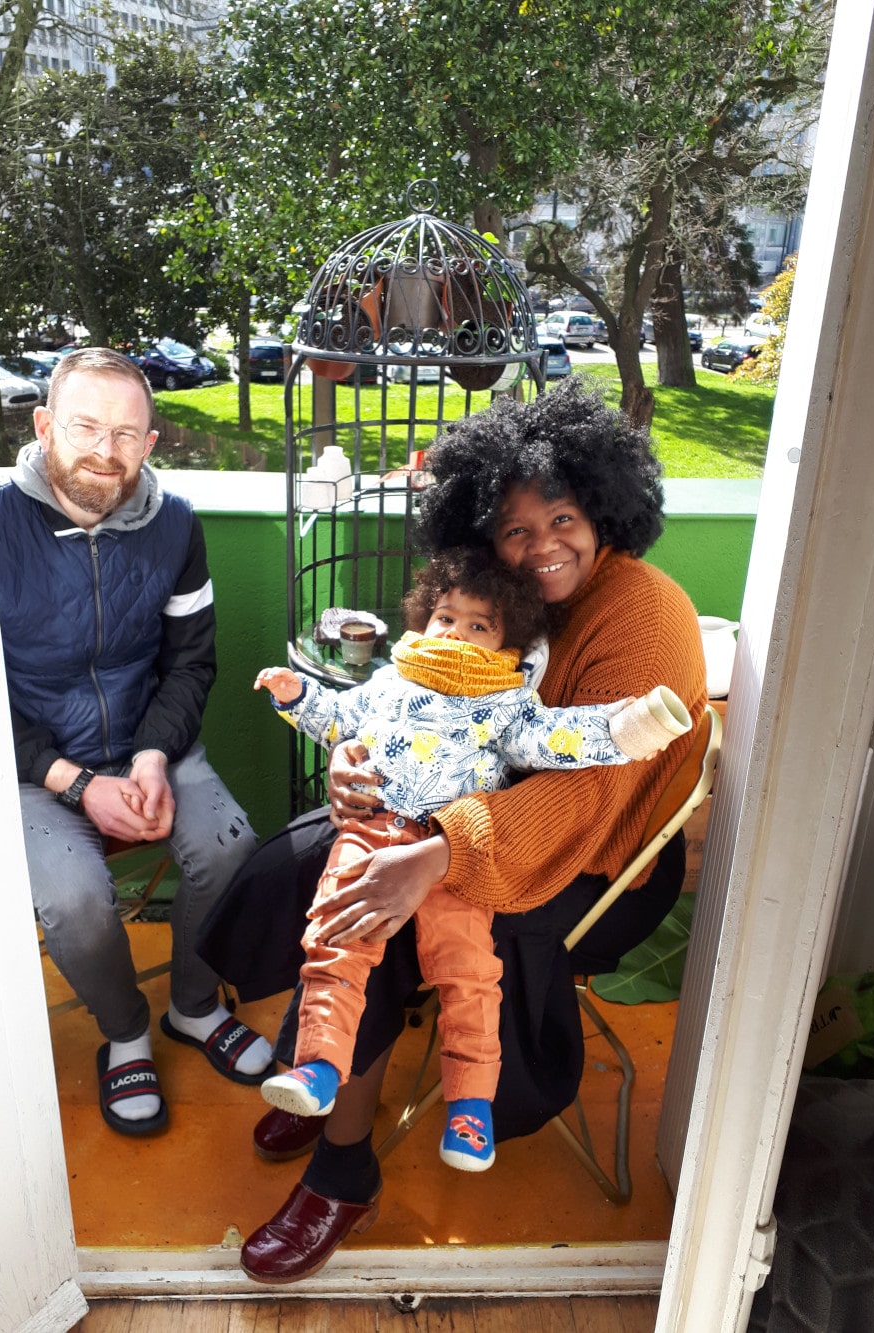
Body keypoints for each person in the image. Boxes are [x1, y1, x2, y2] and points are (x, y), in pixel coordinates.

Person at [198, 374, 707, 1284]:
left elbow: (589, 795)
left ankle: (343, 1166)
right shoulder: (504, 604)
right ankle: (320, 1062)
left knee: (381, 920)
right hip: (465, 813)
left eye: (561, 519)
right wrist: (352, 767)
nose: (539, 546)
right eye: (514, 528)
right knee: (315, 858)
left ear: (603, 503)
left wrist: (434, 854)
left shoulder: (645, 613)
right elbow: (411, 716)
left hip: (596, 860)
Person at [253, 549, 691, 1174]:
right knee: (336, 936)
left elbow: (561, 739)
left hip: (453, 854)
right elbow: (339, 719)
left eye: (478, 625)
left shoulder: (508, 704)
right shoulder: (388, 680)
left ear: (510, 646)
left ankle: (470, 1107)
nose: (455, 632)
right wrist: (298, 699)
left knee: (468, 976)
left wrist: (633, 725)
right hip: (374, 832)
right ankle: (320, 1066)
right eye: (444, 617)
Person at [0, 347, 273, 1137]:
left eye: (125, 434)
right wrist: (76, 783)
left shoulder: (175, 524)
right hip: (37, 764)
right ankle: (125, 1030)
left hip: (153, 742)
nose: (103, 451)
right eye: (83, 426)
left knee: (232, 846)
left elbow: (190, 660)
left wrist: (151, 754)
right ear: (44, 425)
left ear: (150, 444)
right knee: (74, 897)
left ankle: (190, 1005)